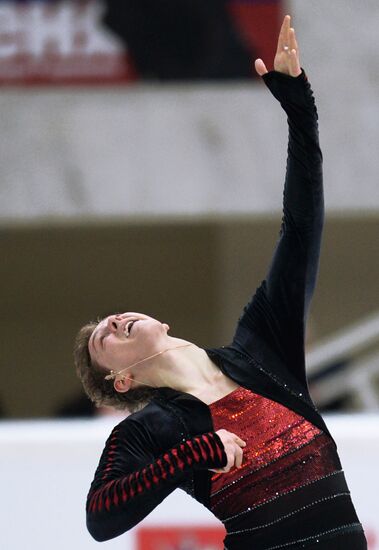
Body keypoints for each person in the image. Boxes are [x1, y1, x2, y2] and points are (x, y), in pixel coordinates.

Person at [74, 16, 367, 549]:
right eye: (104, 338)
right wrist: (196, 453)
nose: (114, 320)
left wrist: (299, 107)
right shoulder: (151, 429)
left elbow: (301, 227)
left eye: (113, 317)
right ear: (122, 382)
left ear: (162, 322)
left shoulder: (263, 349)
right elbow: (101, 517)